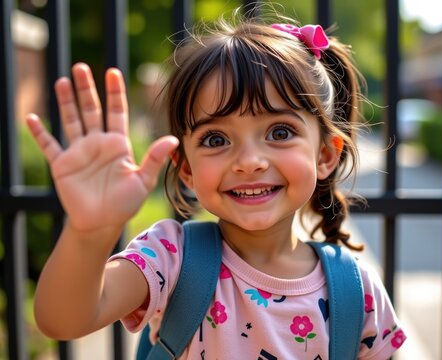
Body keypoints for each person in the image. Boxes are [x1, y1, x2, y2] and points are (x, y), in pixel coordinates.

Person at [28, 8, 406, 359]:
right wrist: (90, 232)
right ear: (187, 168)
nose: (249, 162)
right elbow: (63, 320)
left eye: (279, 131)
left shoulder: (358, 293)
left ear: (325, 155)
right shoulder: (170, 258)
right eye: (216, 139)